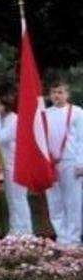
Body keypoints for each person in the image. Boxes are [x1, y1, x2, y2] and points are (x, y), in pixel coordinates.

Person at [43, 77, 83, 245]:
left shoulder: (77, 112)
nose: (57, 95)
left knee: (73, 200)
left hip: (70, 161)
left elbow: (82, 139)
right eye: (53, 92)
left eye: (60, 92)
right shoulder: (44, 114)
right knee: (54, 200)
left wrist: (81, 162)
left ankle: (73, 237)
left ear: (67, 94)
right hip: (50, 163)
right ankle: (62, 235)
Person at [0, 92, 32, 236]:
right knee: (11, 199)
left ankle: (25, 232)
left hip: (18, 165)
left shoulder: (14, 119)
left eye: (0, 104)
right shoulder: (3, 120)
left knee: (18, 198)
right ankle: (15, 230)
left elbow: (1, 138)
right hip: (9, 165)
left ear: (7, 105)